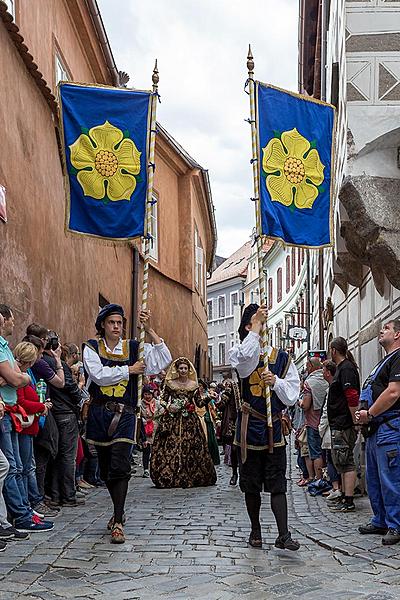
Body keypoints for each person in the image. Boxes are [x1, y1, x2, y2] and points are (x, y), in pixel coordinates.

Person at [83, 303, 171, 544]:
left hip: (126, 414)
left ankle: (119, 519)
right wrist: (129, 370)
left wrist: (150, 330)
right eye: (112, 322)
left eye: (120, 323)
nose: (116, 327)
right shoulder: (91, 348)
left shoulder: (134, 347)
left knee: (121, 465)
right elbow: (98, 375)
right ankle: (116, 511)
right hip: (100, 414)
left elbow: (163, 359)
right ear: (103, 324)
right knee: (106, 467)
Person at [229, 303, 300, 551]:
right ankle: (255, 530)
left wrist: (276, 381)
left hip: (273, 428)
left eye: (261, 322)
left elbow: (292, 395)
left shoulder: (281, 357)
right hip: (249, 428)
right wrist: (255, 331)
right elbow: (246, 365)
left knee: (277, 482)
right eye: (254, 323)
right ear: (248, 327)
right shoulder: (240, 351)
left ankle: (283, 534)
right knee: (251, 484)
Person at [0, 305, 53, 532]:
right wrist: (18, 378)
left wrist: (15, 378)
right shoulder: (4, 350)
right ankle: (20, 514)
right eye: (10, 319)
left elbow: (15, 379)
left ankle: (18, 513)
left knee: (16, 466)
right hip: (9, 416)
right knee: (12, 467)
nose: (12, 323)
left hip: (11, 416)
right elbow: (17, 380)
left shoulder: (5, 348)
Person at [356, 319, 400, 545]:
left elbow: (394, 393)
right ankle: (381, 519)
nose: (381, 331)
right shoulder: (383, 362)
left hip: (389, 427)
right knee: (375, 479)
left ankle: (396, 524)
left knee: (391, 478)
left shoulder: (399, 358)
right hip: (375, 429)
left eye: (387, 328)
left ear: (398, 334)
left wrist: (370, 413)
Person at [150, 358, 217, 489]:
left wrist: (209, 397)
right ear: (177, 369)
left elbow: (198, 402)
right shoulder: (170, 383)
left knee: (190, 447)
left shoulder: (194, 384)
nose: (183, 370)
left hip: (190, 420)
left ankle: (190, 475)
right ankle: (170, 475)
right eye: (181, 368)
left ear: (189, 369)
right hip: (172, 419)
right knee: (170, 447)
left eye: (185, 368)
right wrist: (169, 407)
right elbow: (162, 399)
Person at [327, 336, 360, 513]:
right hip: (339, 422)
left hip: (343, 422)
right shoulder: (343, 368)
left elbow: (352, 396)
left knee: (346, 461)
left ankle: (348, 499)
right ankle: (344, 495)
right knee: (341, 460)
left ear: (334, 350)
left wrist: (355, 420)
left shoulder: (346, 368)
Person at [300, 357, 328, 481]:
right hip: (325, 422)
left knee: (315, 453)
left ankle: (318, 479)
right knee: (324, 452)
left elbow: (306, 405)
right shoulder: (326, 380)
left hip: (312, 422)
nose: (306, 369)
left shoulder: (309, 382)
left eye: (307, 366)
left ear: (311, 367)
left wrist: (299, 402)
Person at [319, 360, 341, 500]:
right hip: (333, 428)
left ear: (328, 372)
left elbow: (327, 412)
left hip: (330, 429)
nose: (322, 373)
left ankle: (336, 487)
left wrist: (320, 429)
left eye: (323, 370)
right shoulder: (332, 387)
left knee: (332, 459)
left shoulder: (332, 388)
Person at [217, 378, 240, 485]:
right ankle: (234, 473)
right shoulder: (232, 388)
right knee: (234, 449)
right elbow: (221, 406)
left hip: (250, 421)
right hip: (234, 422)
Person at [140, 384, 158, 478]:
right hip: (144, 429)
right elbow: (139, 415)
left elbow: (161, 412)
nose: (147, 396)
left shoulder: (157, 403)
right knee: (146, 449)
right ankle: (146, 469)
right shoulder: (140, 404)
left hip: (155, 428)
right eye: (146, 394)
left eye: (149, 394)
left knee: (155, 450)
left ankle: (155, 467)